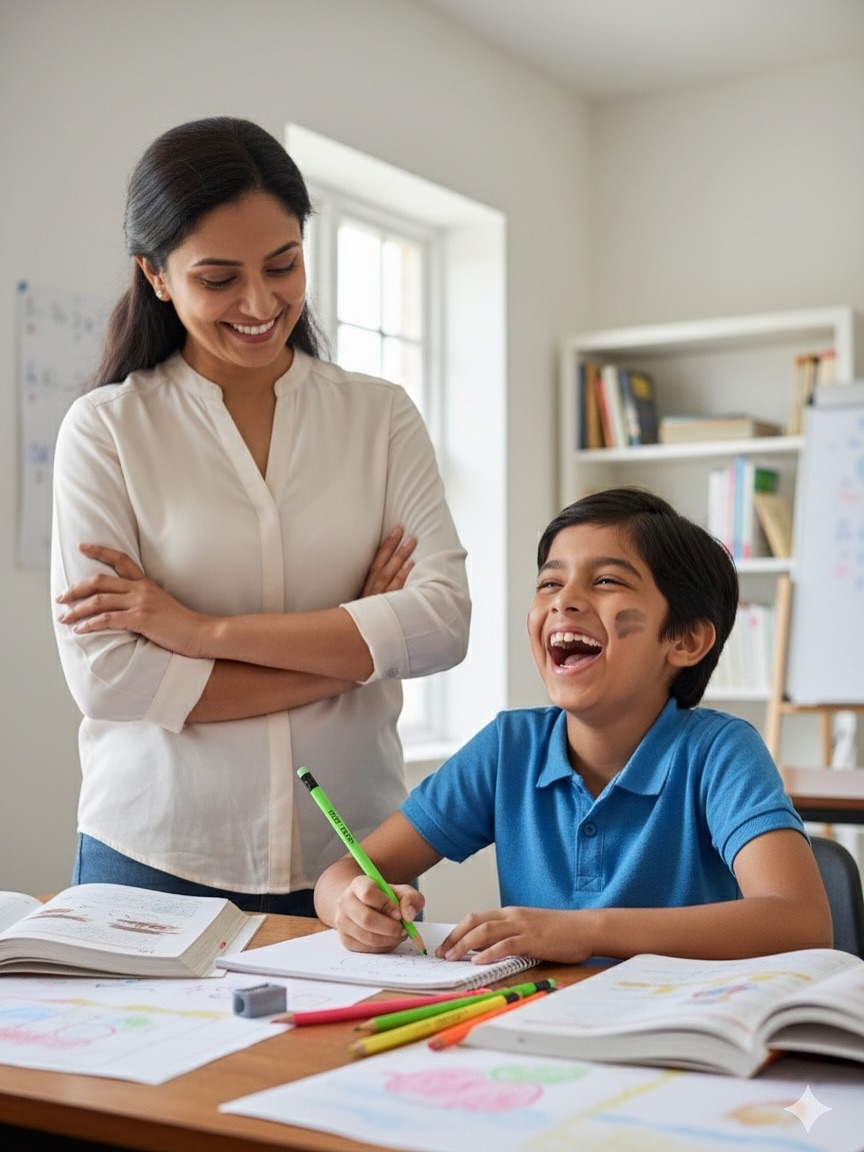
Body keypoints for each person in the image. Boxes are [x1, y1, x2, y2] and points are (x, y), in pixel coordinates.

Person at [51, 116, 471, 915]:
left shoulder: (379, 418)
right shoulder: (106, 430)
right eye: (218, 278)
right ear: (157, 275)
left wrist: (198, 632)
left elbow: (444, 624)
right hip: (154, 851)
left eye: (283, 265)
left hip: (350, 858)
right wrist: (356, 645)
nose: (259, 301)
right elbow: (112, 679)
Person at [313, 487, 832, 962]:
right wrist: (351, 906)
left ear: (687, 640)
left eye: (606, 581)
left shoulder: (720, 752)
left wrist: (585, 931)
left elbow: (801, 922)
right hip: (537, 1031)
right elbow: (340, 876)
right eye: (550, 582)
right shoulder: (509, 748)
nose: (563, 600)